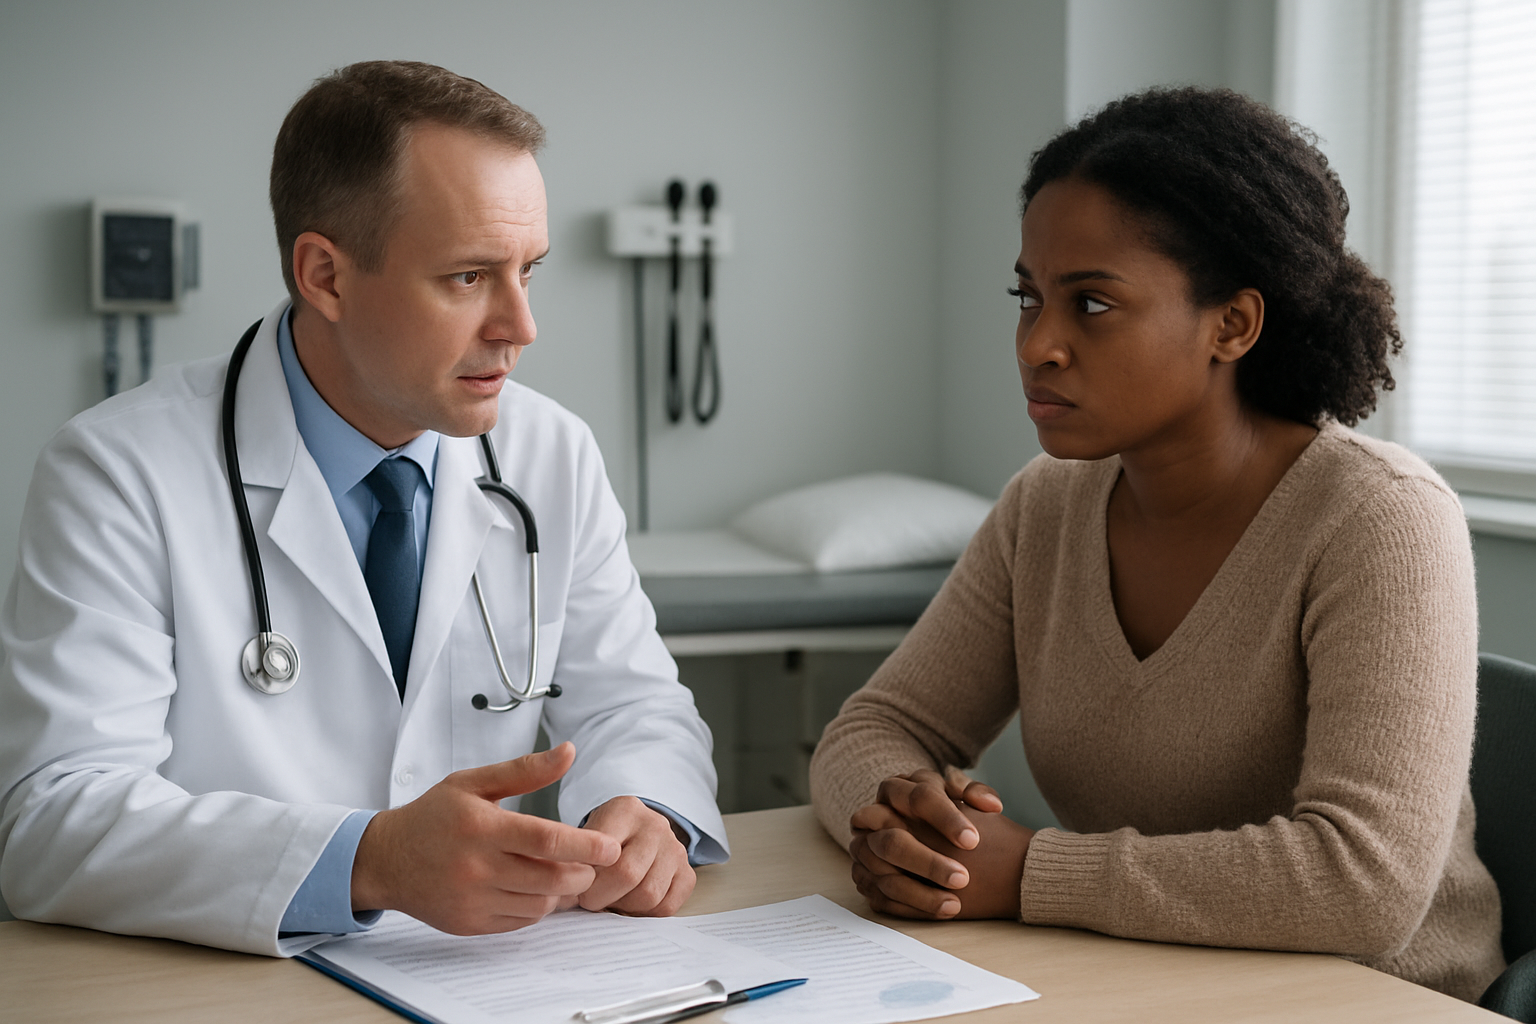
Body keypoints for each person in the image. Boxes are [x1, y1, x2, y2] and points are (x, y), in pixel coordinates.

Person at [0, 61, 726, 956]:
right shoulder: (118, 472)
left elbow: (636, 708)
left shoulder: (551, 453)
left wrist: (643, 812)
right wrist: (366, 862)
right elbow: (54, 818)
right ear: (325, 276)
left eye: (528, 271)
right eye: (468, 277)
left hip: (493, 983)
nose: (520, 325)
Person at [808, 87, 1504, 1002]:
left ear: (1233, 325)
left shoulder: (1381, 519)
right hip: (1140, 984)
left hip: (1376, 999)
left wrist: (1029, 875)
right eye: (1029, 298)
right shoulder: (1045, 506)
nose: (1037, 345)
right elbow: (872, 729)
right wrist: (918, 826)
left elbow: (1361, 883)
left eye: (1091, 304)